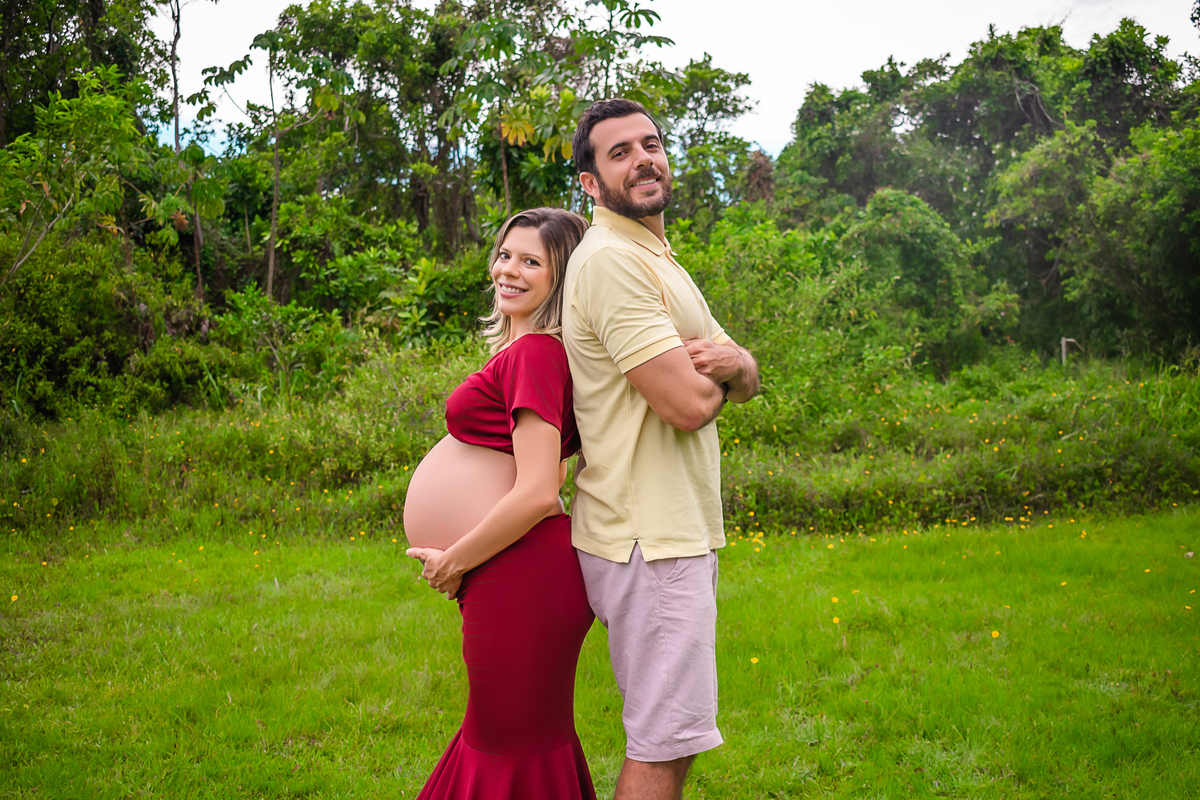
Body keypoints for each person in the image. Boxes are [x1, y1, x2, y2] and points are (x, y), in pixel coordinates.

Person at [561, 99, 761, 800]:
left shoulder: (656, 257)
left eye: (650, 144)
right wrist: (728, 376)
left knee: (673, 743)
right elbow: (685, 403)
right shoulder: (613, 261)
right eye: (618, 152)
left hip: (668, 531)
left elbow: (744, 368)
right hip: (647, 536)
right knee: (661, 747)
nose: (643, 159)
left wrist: (735, 369)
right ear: (589, 182)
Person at [403, 208, 597, 799]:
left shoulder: (537, 352)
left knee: (510, 742)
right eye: (506, 255)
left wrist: (455, 558)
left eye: (532, 261)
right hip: (510, 571)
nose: (510, 270)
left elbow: (541, 490)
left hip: (522, 573)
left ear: (559, 281)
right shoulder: (524, 353)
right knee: (508, 735)